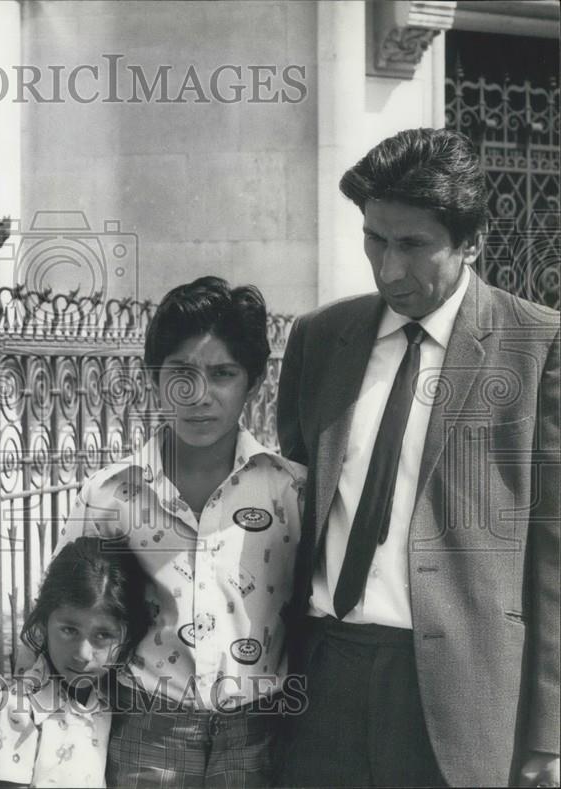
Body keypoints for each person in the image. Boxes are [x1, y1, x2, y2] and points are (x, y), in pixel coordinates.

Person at [276, 127, 560, 787]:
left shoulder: (536, 346)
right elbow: (292, 498)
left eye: (412, 245)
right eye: (375, 238)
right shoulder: (320, 338)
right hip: (324, 680)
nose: (387, 269)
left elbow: (554, 552)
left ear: (472, 242)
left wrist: (550, 728)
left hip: (464, 698)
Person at [55, 277, 307, 788]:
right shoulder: (109, 495)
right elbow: (62, 615)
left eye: (222, 374)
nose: (198, 395)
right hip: (148, 729)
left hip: (259, 732)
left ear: (253, 383)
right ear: (154, 377)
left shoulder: (289, 491)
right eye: (181, 372)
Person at [0, 536, 150, 788]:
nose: (83, 654)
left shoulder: (110, 700)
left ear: (126, 636)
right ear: (44, 622)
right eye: (69, 630)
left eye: (103, 635)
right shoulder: (18, 708)